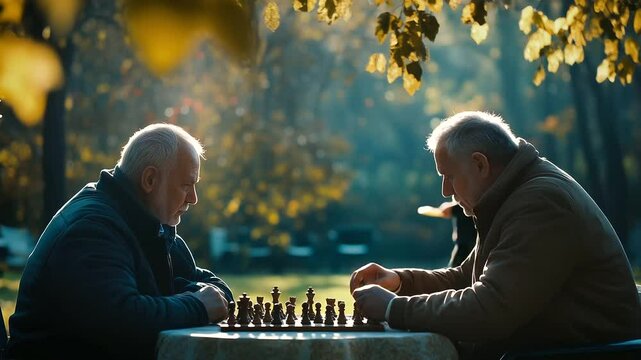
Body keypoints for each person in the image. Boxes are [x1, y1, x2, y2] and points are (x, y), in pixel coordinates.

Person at [350, 111, 641, 359]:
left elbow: (490, 310)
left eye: (448, 175)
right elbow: (467, 277)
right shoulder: (512, 195)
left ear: (480, 164)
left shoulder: (540, 203)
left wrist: (392, 308)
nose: (445, 192)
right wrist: (400, 282)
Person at [7, 124, 233, 359]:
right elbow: (122, 322)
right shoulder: (91, 229)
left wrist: (185, 299)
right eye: (187, 185)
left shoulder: (147, 223)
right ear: (150, 179)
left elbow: (214, 290)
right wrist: (196, 306)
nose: (193, 199)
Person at [417, 200, 476, 267]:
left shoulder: (466, 204)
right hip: (468, 244)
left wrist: (445, 207)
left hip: (466, 246)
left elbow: (446, 211)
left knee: (457, 273)